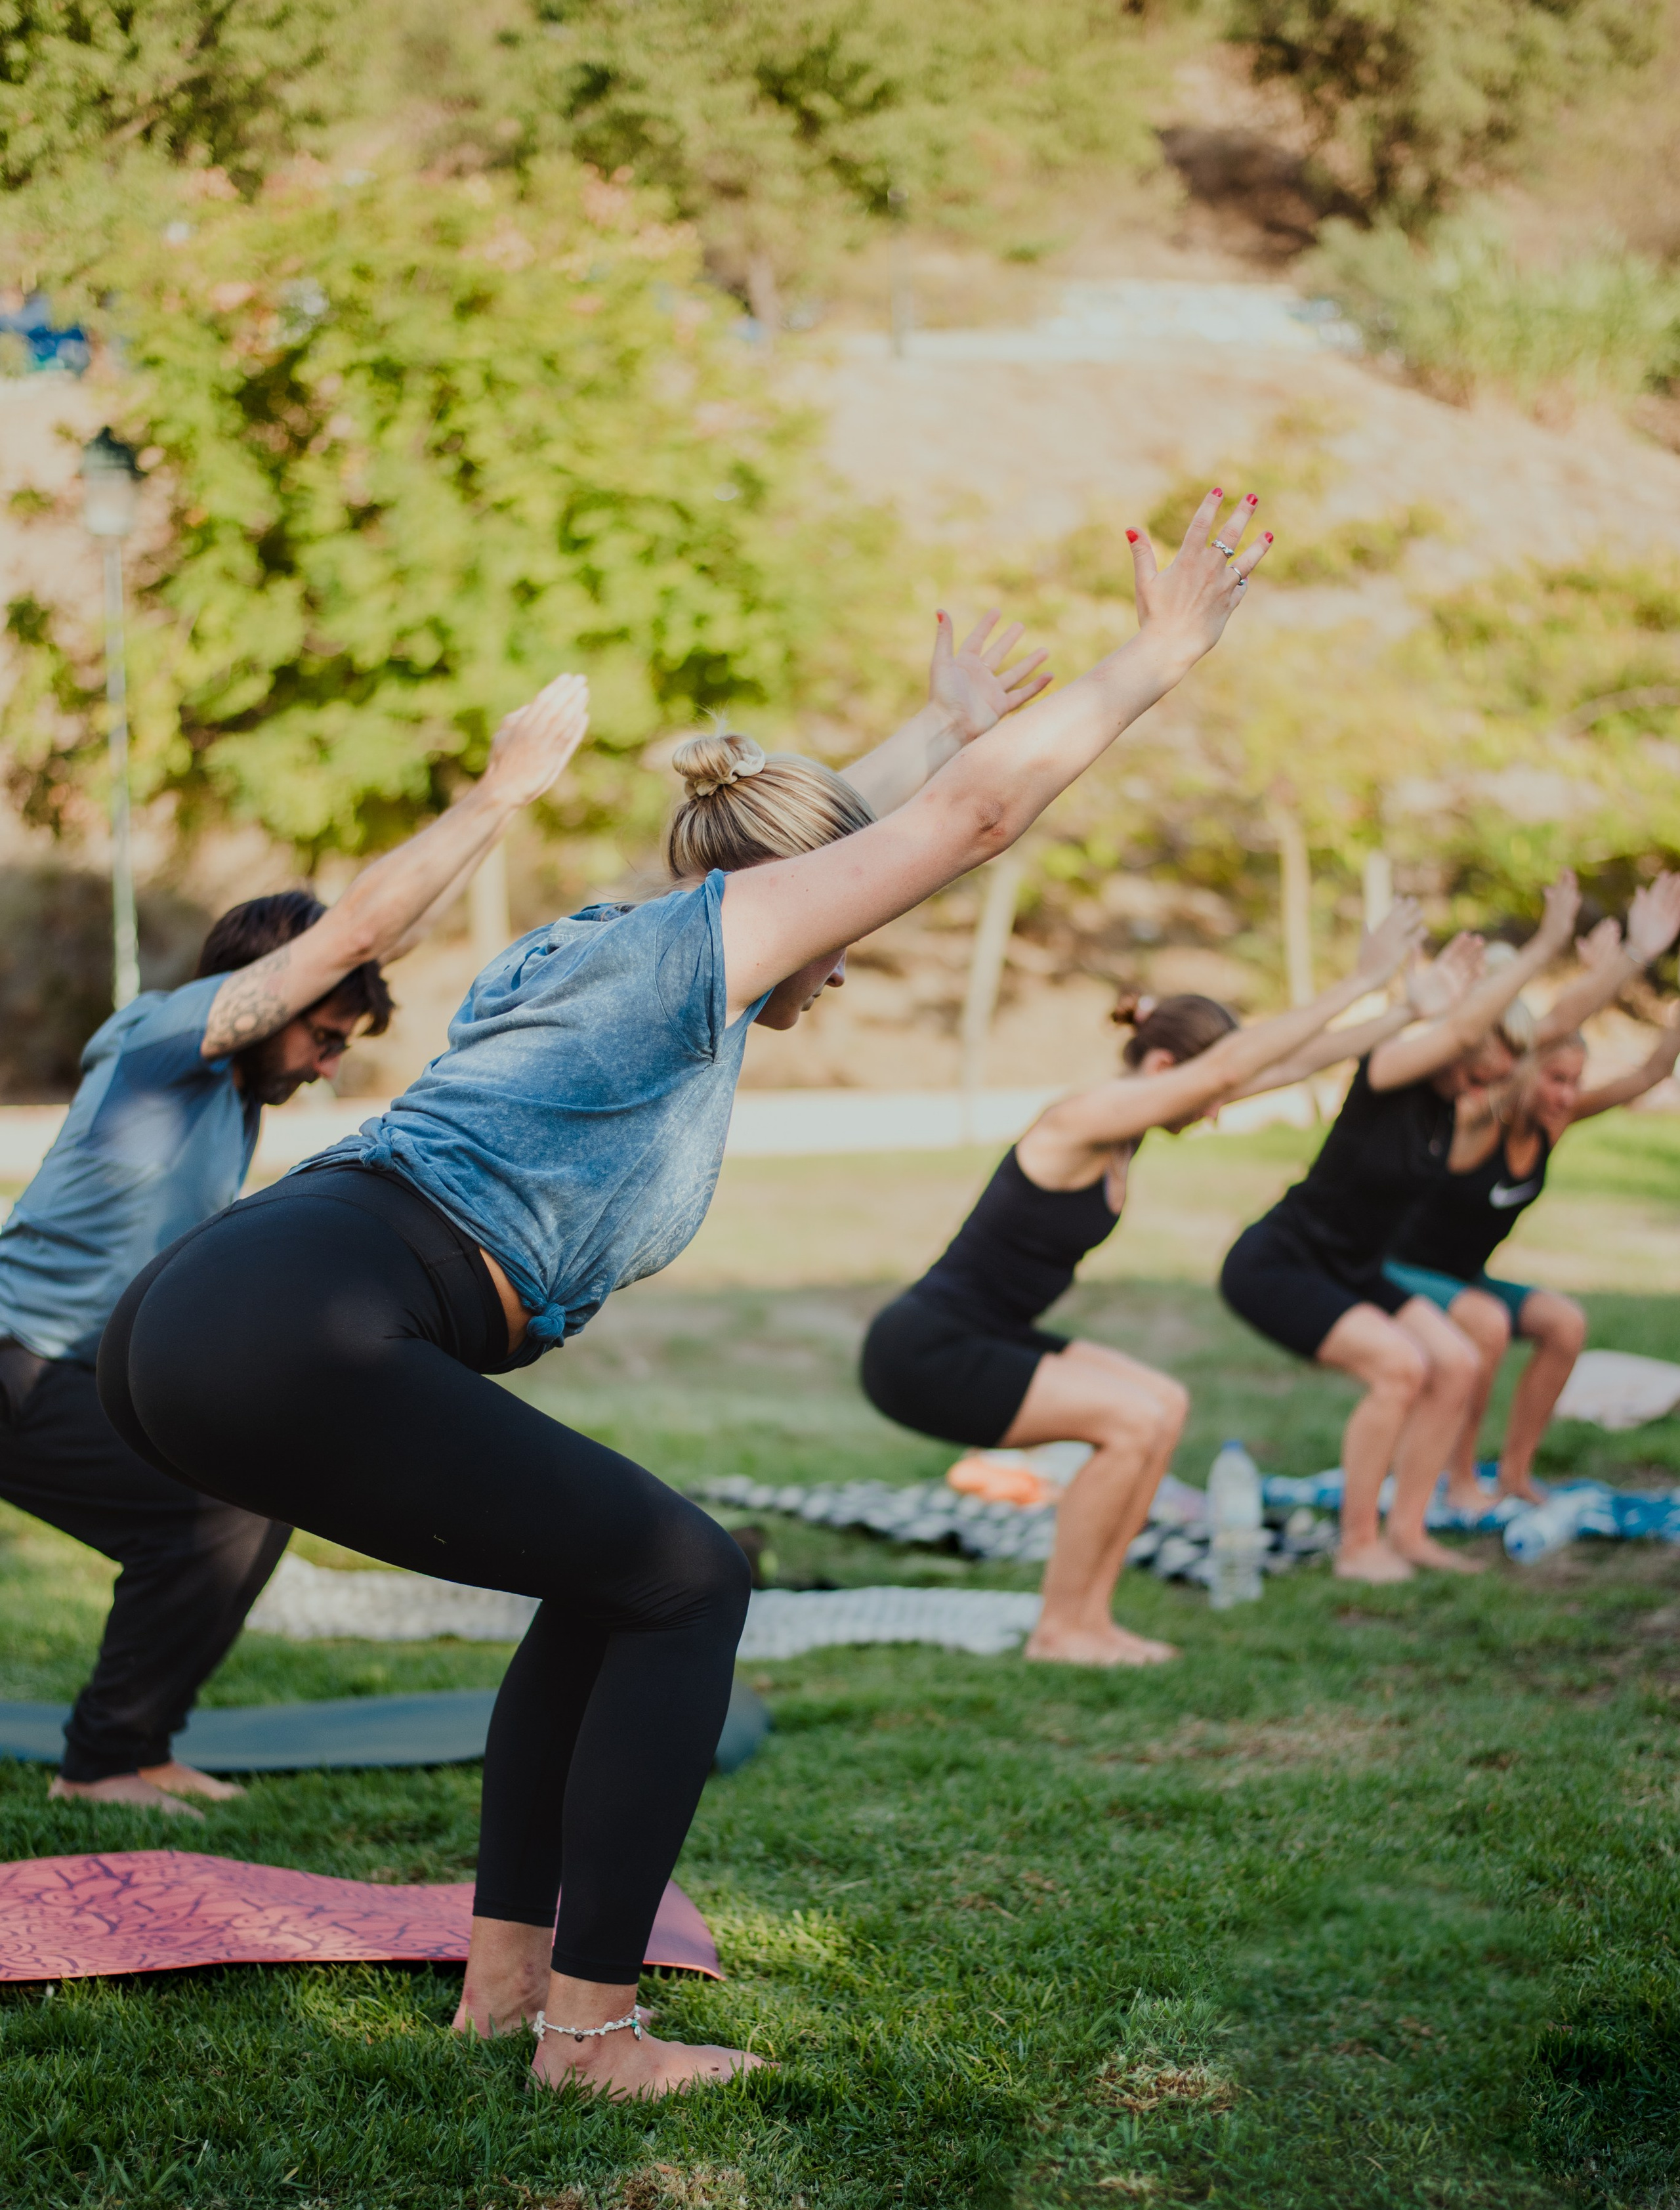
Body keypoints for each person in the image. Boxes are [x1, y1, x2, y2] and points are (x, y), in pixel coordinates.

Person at [99, 493, 1272, 2100]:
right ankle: (592, 2034)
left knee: (607, 1579)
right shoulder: (687, 958)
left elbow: (828, 831)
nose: (856, 947)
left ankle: (507, 1989)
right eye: (846, 914)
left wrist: (928, 724)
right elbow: (960, 828)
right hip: (298, 1314)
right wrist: (1152, 657)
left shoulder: (602, 944)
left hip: (219, 1311)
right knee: (687, 1578)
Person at [1, 671, 590, 1813]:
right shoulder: (172, 1043)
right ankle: (110, 1757)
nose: (328, 1064)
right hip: (16, 1358)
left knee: (236, 1495)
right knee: (210, 1508)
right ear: (267, 999)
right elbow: (358, 929)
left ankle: (129, 1746)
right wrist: (499, 793)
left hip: (63, 1363)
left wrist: (477, 835)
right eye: (323, 1035)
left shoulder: (232, 1082)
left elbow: (385, 937)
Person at [858, 904, 1425, 1666]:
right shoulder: (1083, 1117)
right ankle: (1059, 1629)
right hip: (925, 1349)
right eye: (1206, 1093)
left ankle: (1091, 1620)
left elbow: (1276, 1065)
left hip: (987, 1331)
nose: (1219, 1112)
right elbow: (1226, 1071)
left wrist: (1404, 1015)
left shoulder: (1133, 1125)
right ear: (1164, 1070)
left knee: (1164, 1404)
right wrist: (1362, 978)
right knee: (1127, 1422)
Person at [1219, 873, 1584, 1584]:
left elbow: (1527, 1030)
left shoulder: (1455, 1106)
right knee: (1400, 1367)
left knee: (1454, 1360)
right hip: (1281, 1261)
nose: (1494, 1083)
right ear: (1461, 1047)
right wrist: (1545, 942)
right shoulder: (1388, 1072)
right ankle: (1358, 1547)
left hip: (1353, 1268)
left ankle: (1408, 1530)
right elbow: (1459, 1028)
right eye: (1486, 1064)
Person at [1386, 956, 1680, 1512]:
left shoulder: (1555, 1123)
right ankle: (1460, 1477)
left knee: (1565, 1323)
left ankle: (1515, 1474)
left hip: (1464, 1278)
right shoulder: (1479, 1120)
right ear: (1523, 1071)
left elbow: (1647, 1076)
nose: (1567, 1095)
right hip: (1396, 1268)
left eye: (1576, 1082)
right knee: (1487, 1322)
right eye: (1556, 1079)